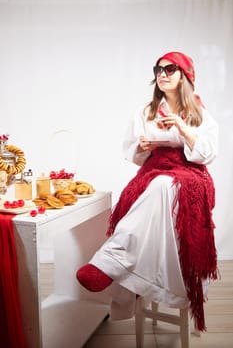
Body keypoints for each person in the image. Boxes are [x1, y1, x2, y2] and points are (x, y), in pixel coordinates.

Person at [76, 51, 219, 331]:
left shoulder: (200, 113)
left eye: (170, 69)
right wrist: (141, 148)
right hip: (154, 170)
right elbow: (133, 154)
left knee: (164, 185)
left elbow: (208, 153)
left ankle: (113, 257)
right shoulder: (146, 112)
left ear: (185, 77)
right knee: (154, 185)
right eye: (158, 69)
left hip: (191, 175)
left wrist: (182, 127)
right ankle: (121, 260)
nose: (162, 74)